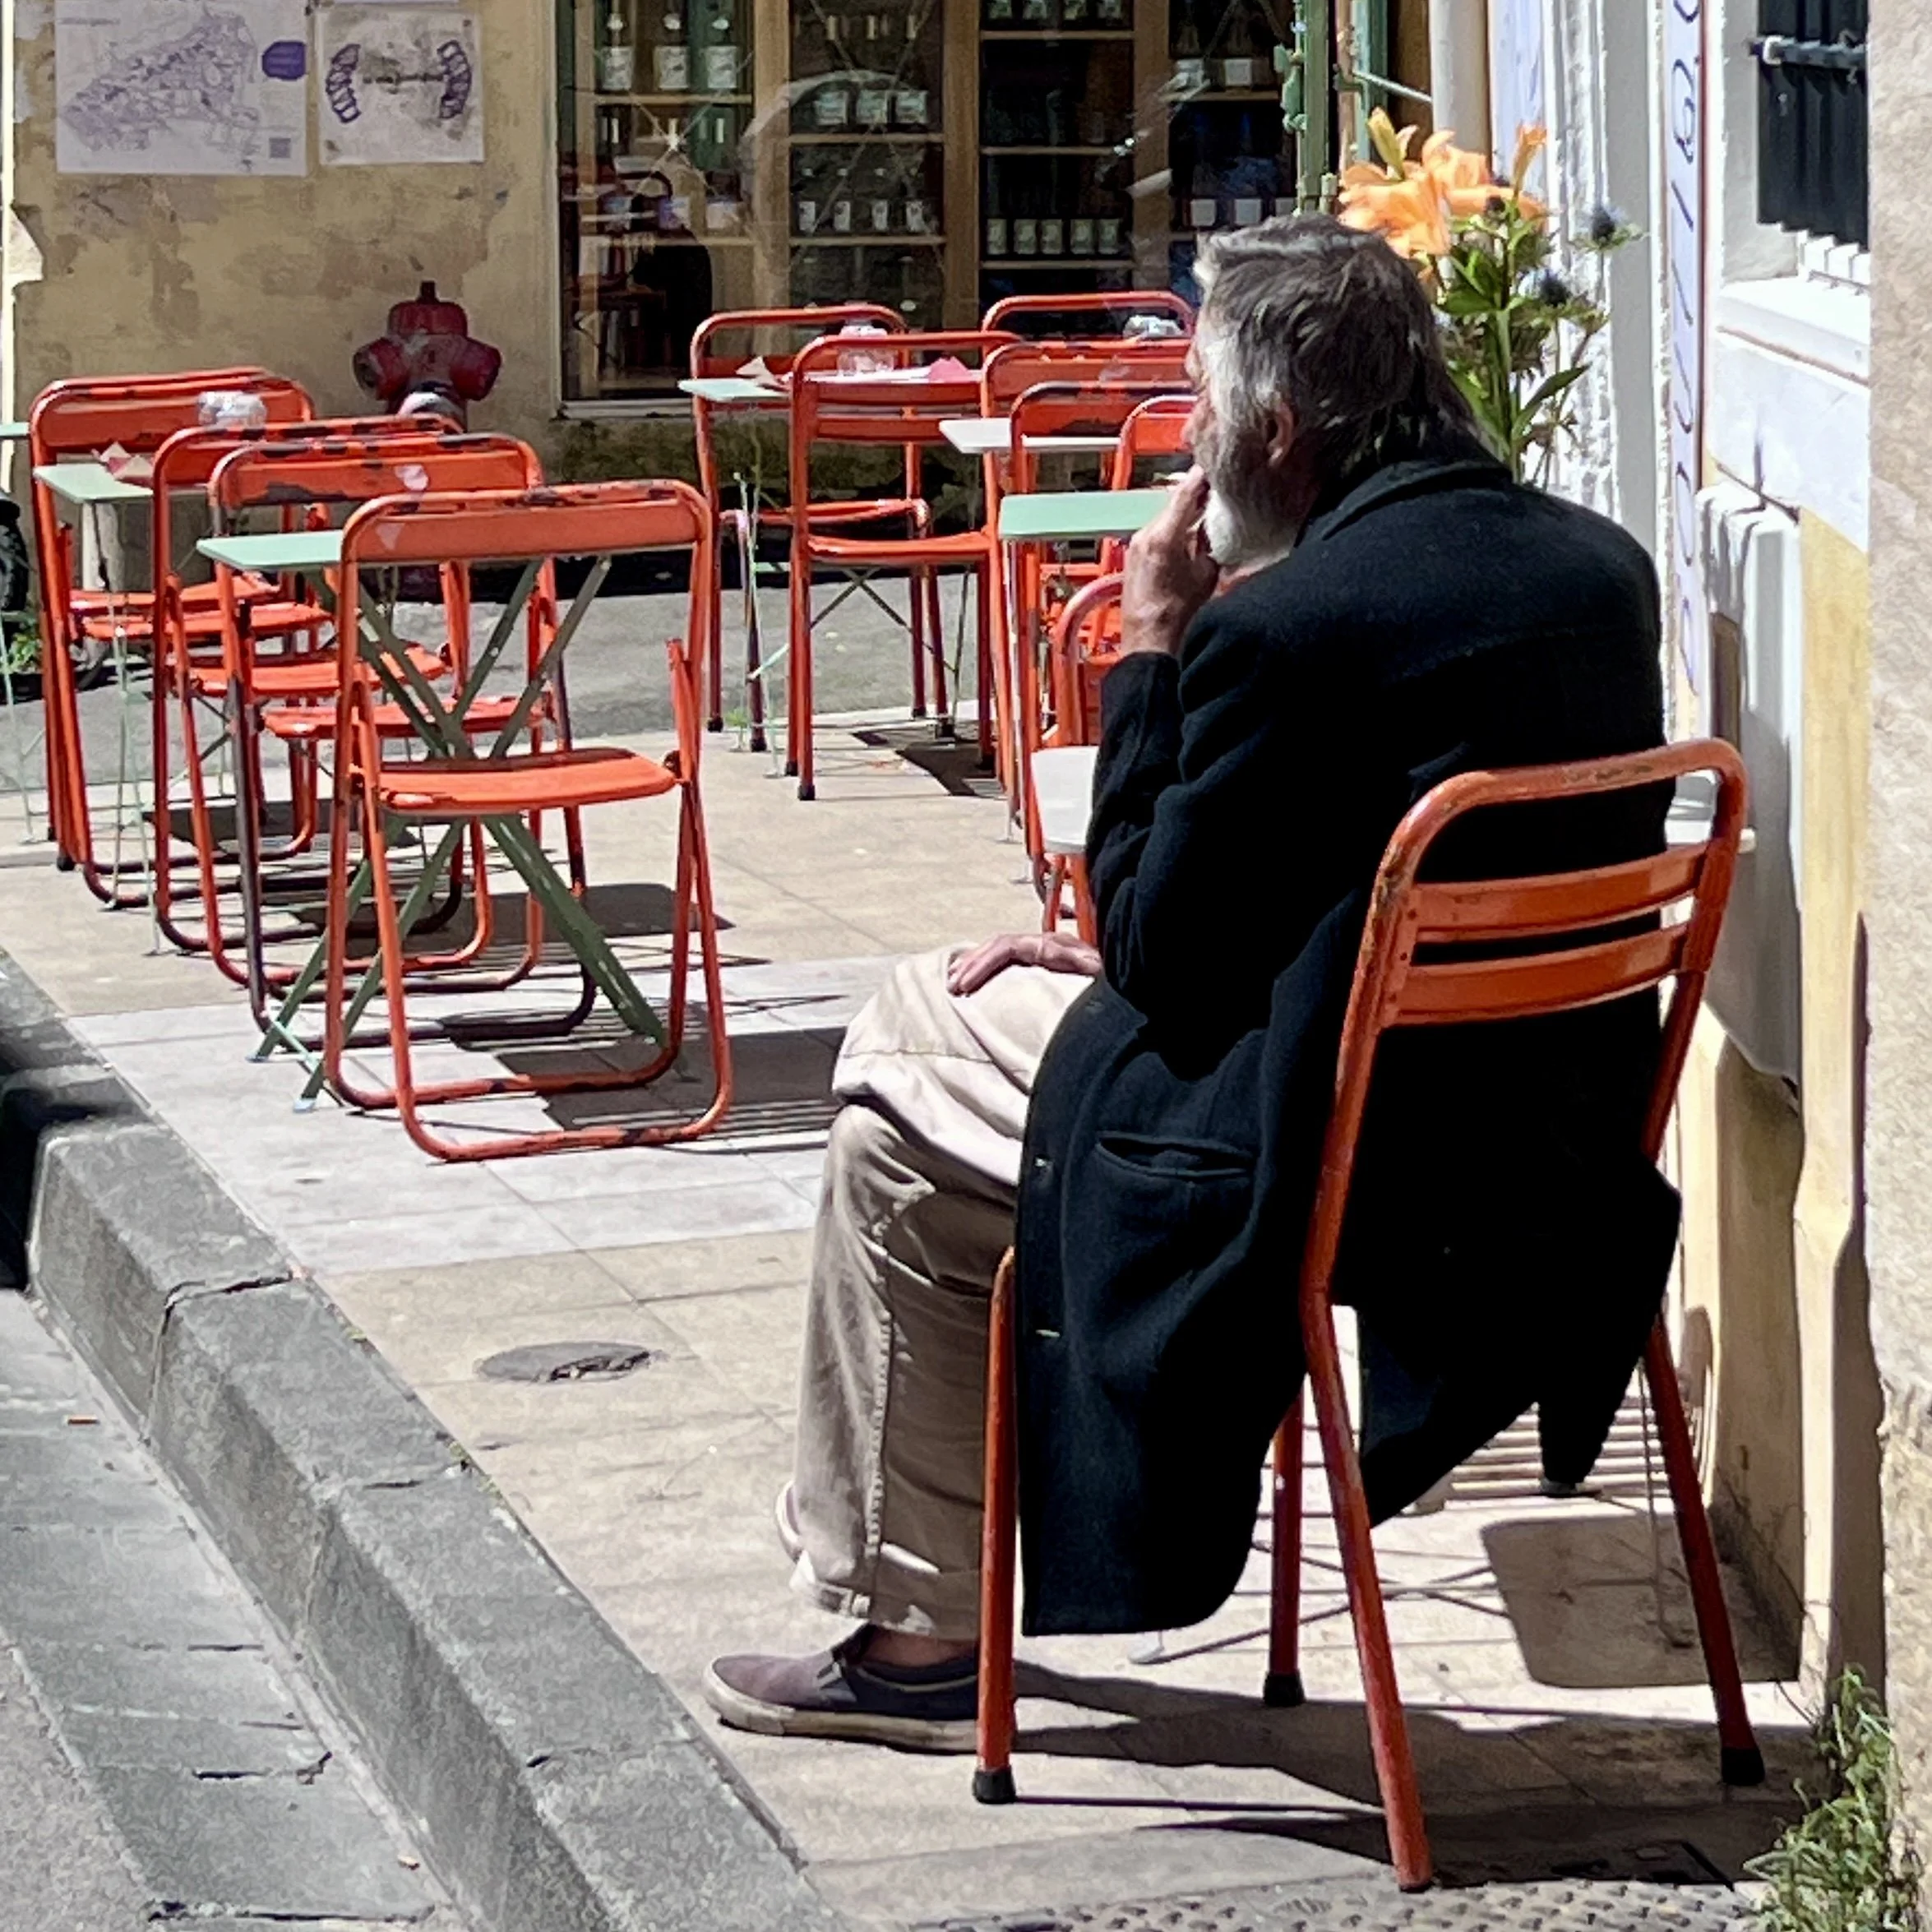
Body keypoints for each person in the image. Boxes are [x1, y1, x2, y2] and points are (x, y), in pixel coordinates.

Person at [703, 213, 1680, 1752]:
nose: (1189, 438)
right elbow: (1350, 871)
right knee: (922, 1065)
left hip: (1339, 1159)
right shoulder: (1597, 571)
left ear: (1278, 427)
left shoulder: (1287, 630)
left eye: (1203, 403)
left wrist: (1151, 650)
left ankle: (915, 1637)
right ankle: (923, 1597)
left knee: (890, 1103)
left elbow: (1161, 953)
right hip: (1549, 1148)